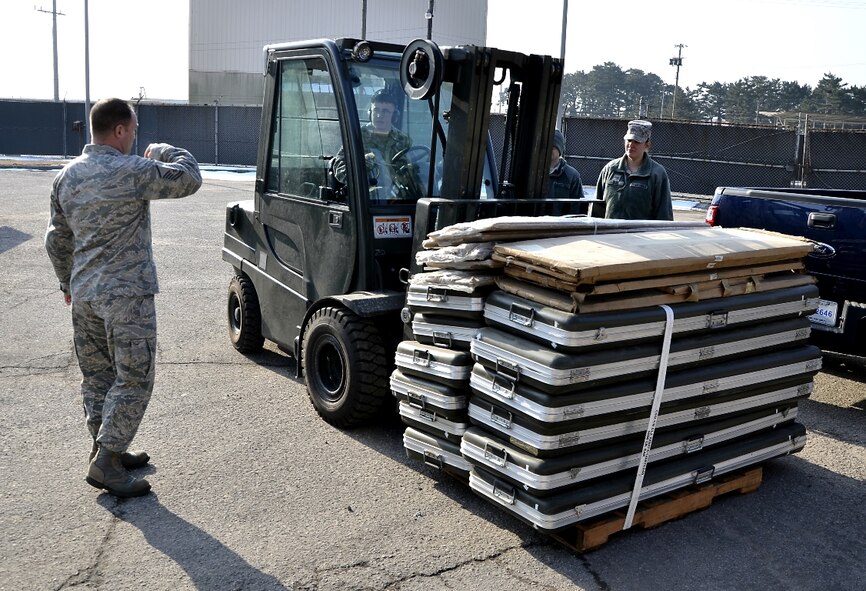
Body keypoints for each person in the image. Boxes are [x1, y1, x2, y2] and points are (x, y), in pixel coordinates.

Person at [45, 97, 202, 498]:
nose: (134, 136)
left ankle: (107, 448)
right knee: (134, 379)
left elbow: (56, 239)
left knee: (98, 377)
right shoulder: (132, 169)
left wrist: (67, 283)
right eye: (132, 129)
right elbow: (188, 178)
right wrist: (164, 150)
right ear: (119, 131)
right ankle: (107, 462)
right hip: (126, 297)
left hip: (84, 298)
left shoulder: (66, 177)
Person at [333, 89, 425, 200]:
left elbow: (414, 173)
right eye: (376, 110)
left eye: (385, 111)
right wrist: (362, 164)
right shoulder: (356, 137)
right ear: (370, 112)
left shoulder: (403, 140)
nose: (379, 115)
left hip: (398, 201)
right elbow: (339, 169)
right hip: (367, 201)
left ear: (395, 115)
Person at [591, 119, 673, 220]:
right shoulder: (610, 169)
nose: (631, 145)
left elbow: (664, 213)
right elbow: (597, 207)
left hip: (641, 233)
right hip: (610, 234)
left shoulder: (657, 174)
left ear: (647, 144)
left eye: (637, 142)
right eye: (629, 140)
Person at [547, 129, 584, 198]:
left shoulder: (572, 175)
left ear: (560, 149)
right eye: (546, 146)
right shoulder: (533, 173)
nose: (548, 149)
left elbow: (578, 205)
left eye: (552, 147)